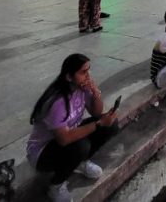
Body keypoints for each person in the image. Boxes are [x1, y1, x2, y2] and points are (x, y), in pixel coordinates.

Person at [28, 54, 119, 202]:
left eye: (89, 71)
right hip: (43, 153)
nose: (88, 76)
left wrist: (95, 92)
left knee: (111, 125)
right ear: (69, 77)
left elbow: (96, 112)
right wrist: (99, 123)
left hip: (67, 138)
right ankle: (56, 185)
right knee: (82, 145)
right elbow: (64, 139)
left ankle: (81, 162)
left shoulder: (82, 89)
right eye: (83, 72)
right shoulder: (57, 102)